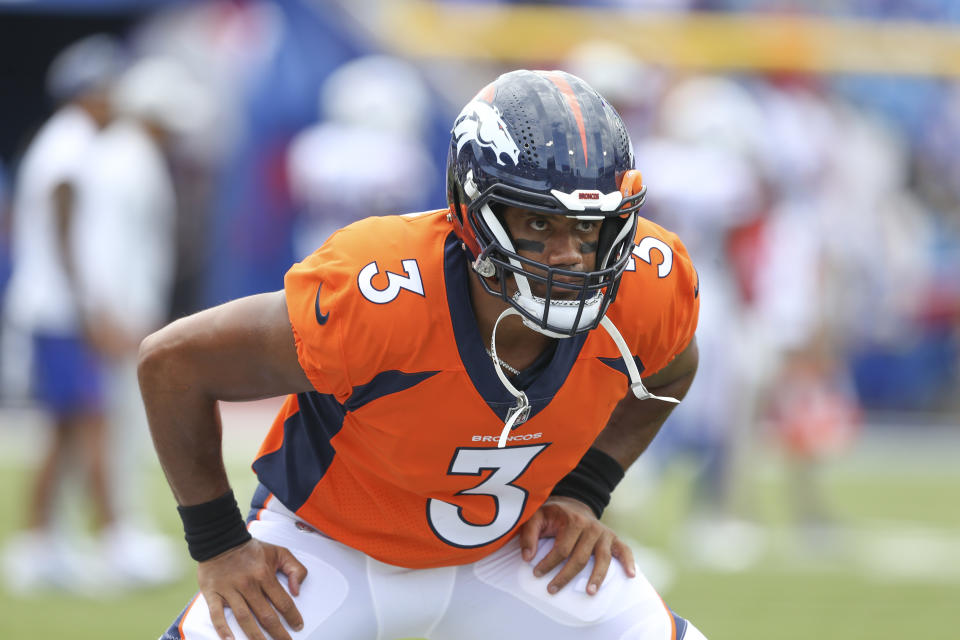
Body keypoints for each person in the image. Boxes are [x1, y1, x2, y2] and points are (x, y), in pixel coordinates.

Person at [140, 69, 705, 639]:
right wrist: (218, 545)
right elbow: (172, 364)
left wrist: (584, 491)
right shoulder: (380, 292)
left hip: (510, 549)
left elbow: (675, 366)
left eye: (591, 225)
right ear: (474, 210)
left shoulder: (646, 282)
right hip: (326, 547)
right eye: (539, 221)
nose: (571, 256)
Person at [1, 35, 125, 593]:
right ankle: (111, 542)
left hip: (50, 305)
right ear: (87, 94)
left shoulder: (60, 140)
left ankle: (38, 543)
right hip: (61, 311)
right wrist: (88, 308)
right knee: (90, 421)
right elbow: (63, 226)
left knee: (63, 428)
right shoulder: (72, 144)